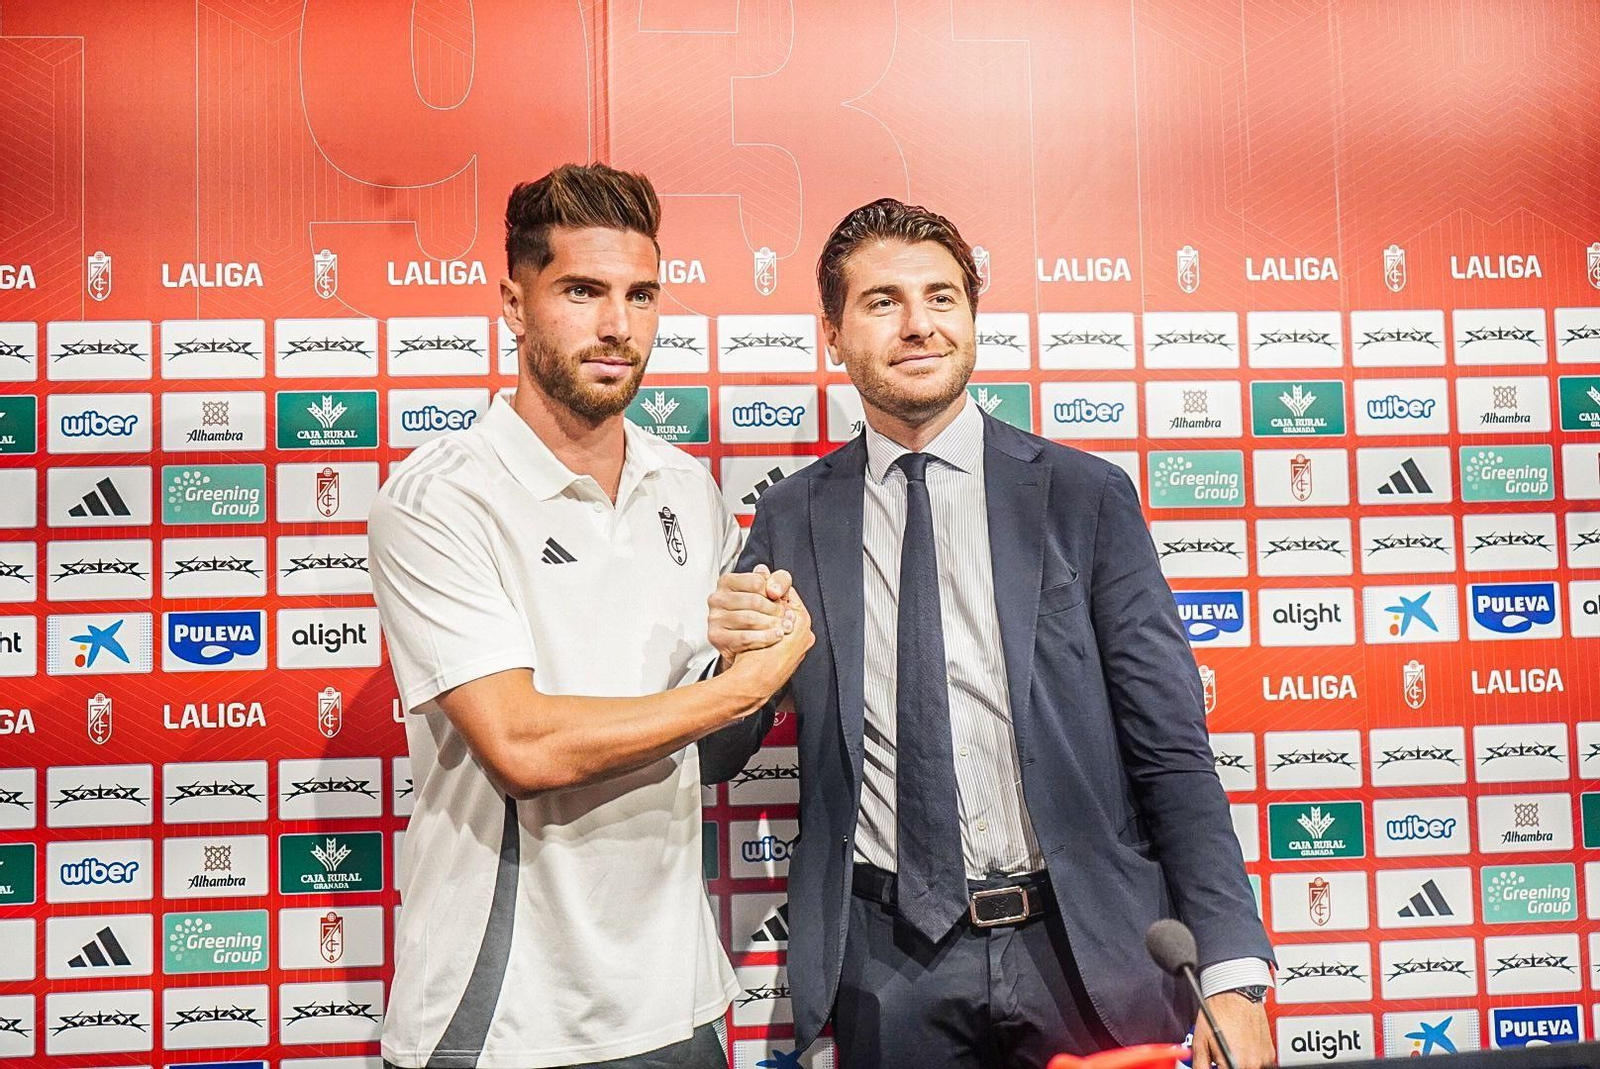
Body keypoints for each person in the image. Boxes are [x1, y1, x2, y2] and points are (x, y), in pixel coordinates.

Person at [702, 198, 1275, 1069]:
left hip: (1085, 950)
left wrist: (1232, 972)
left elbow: (1171, 749)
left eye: (941, 297)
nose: (918, 324)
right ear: (833, 335)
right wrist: (733, 663)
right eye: (883, 301)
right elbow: (718, 752)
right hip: (888, 966)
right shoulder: (792, 516)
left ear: (971, 316)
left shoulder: (1084, 497)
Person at [369, 162, 812, 1069]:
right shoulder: (440, 498)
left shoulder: (685, 487)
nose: (618, 325)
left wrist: (752, 657)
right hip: (505, 1023)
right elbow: (523, 748)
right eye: (582, 291)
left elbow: (709, 752)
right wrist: (742, 689)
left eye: (640, 295)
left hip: (678, 1004)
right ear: (514, 304)